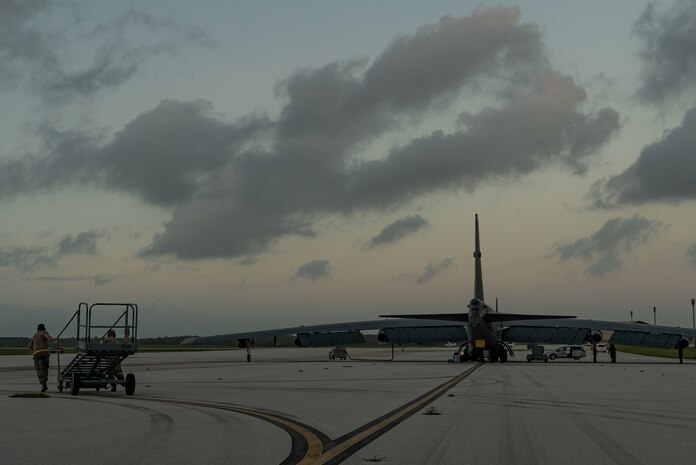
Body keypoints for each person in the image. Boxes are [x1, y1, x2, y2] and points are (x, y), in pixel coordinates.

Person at [29, 324, 58, 392]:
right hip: (45, 353)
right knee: (45, 368)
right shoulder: (44, 333)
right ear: (44, 328)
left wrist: (35, 347)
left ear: (38, 329)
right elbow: (48, 337)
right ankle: (45, 381)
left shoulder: (34, 335)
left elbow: (30, 346)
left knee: (40, 369)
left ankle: (43, 384)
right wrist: (54, 341)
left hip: (37, 354)